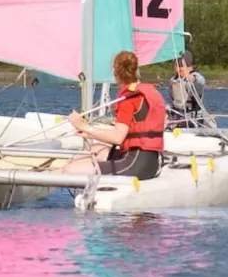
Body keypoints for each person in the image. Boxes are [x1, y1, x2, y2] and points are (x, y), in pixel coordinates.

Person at [65, 51, 166, 180]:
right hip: (152, 160)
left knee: (69, 169)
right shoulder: (148, 91)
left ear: (115, 74)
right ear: (136, 70)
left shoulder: (128, 98)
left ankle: (54, 176)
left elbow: (118, 137)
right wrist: (90, 134)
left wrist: (84, 126)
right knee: (96, 149)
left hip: (136, 165)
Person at [168, 51, 212, 127]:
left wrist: (193, 78)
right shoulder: (173, 80)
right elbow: (171, 98)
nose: (177, 69)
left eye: (180, 66)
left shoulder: (196, 77)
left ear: (188, 66)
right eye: (176, 66)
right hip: (177, 118)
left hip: (193, 119)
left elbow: (201, 82)